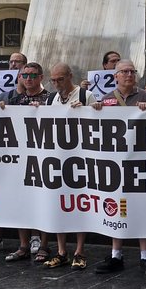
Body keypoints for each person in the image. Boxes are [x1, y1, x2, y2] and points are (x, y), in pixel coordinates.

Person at [93, 59, 146, 275]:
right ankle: (115, 255)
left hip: (139, 161)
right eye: (124, 71)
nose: (129, 74)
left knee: (142, 209)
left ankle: (145, 256)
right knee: (116, 208)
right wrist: (95, 110)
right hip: (116, 164)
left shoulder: (145, 97)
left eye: (132, 71)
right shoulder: (107, 99)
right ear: (115, 76)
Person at [0, 63, 54, 262]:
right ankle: (23, 245)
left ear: (41, 77)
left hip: (42, 155)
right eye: (25, 75)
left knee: (43, 200)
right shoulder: (14, 99)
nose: (28, 79)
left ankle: (44, 245)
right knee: (22, 200)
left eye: (32, 75)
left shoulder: (50, 98)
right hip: (19, 156)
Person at [45, 63, 95, 269]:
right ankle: (61, 250)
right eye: (53, 80)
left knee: (80, 203)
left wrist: (88, 110)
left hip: (80, 157)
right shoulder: (51, 99)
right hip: (57, 157)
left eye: (60, 79)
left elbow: (99, 116)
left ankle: (80, 251)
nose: (57, 84)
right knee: (59, 204)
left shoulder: (85, 95)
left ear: (70, 77)